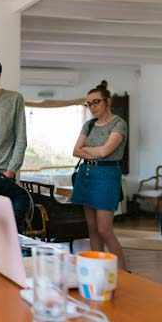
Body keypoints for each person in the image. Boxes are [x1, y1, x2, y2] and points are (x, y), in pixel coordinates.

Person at [71, 80, 127, 269]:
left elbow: (105, 152)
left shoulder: (119, 124)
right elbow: (75, 151)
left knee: (105, 229)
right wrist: (93, 150)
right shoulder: (88, 124)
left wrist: (87, 149)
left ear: (107, 101)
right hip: (86, 174)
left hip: (107, 177)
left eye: (96, 102)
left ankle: (124, 273)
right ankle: (98, 269)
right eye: (89, 104)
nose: (92, 107)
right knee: (92, 229)